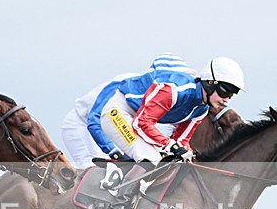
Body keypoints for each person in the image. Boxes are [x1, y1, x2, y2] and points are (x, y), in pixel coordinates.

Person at [88, 56, 246, 165]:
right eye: (225, 92)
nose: (227, 99)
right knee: (150, 158)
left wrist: (190, 156)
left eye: (232, 94)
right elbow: (142, 124)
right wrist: (171, 146)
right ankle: (120, 200)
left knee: (175, 163)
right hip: (118, 111)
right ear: (210, 82)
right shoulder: (174, 91)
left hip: (138, 118)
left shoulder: (202, 109)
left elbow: (181, 141)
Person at [60, 54, 192, 168]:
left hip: (112, 127)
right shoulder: (126, 83)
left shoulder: (164, 95)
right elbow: (94, 121)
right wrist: (114, 153)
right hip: (82, 125)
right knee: (95, 173)